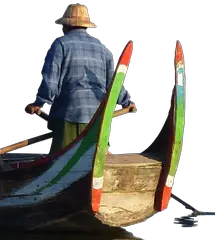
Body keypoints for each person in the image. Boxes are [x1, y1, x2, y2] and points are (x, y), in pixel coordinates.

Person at [26, 2, 134, 153]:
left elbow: (51, 83)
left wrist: (39, 104)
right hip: (98, 119)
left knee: (63, 163)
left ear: (65, 25)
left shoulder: (60, 44)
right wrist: (126, 102)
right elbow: (114, 85)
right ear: (86, 26)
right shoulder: (104, 50)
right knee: (92, 159)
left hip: (68, 116)